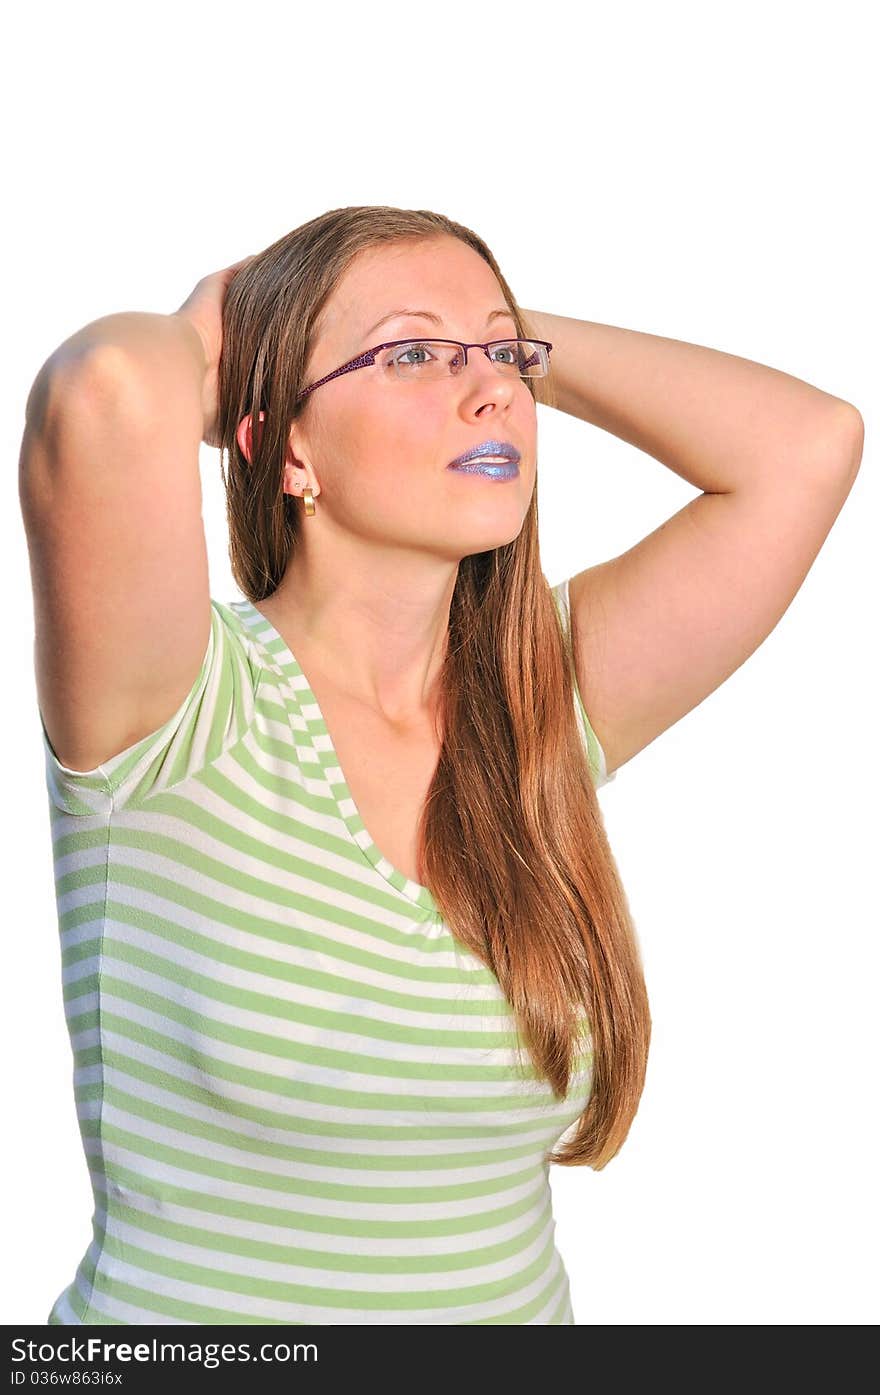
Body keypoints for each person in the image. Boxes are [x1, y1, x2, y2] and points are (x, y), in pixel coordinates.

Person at [19, 206, 862, 1326]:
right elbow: (103, 393)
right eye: (412, 355)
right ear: (284, 447)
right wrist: (211, 332)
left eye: (504, 362)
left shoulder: (532, 706)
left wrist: (497, 339)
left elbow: (809, 446)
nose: (493, 391)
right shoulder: (177, 703)